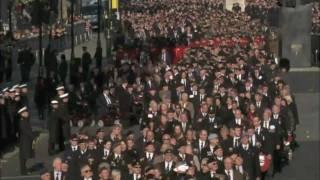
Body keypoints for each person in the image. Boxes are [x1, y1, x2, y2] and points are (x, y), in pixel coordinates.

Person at [18, 106, 35, 175]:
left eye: (27, 112)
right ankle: (23, 171)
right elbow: (26, 131)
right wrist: (33, 137)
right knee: (24, 156)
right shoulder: (22, 121)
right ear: (22, 114)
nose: (27, 113)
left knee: (24, 156)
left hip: (26, 140)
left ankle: (24, 170)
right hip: (25, 141)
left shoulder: (25, 120)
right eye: (25, 112)